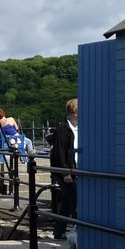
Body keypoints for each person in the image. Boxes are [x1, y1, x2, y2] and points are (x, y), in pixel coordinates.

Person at [46, 98, 79, 238]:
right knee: (75, 199)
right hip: (65, 170)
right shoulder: (62, 129)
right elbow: (59, 153)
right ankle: (79, 229)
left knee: (66, 200)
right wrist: (65, 172)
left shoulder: (79, 127)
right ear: (73, 113)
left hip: (76, 168)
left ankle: (59, 231)